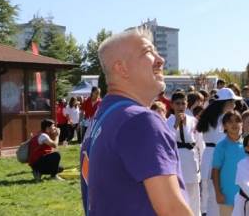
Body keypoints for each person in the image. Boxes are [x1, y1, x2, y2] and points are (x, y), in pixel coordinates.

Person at [79, 28, 191, 216]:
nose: (160, 60)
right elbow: (172, 210)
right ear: (121, 68)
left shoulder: (102, 118)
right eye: (148, 52)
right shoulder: (139, 120)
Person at [196, 87, 240, 216]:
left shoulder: (209, 116)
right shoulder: (223, 119)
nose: (234, 105)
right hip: (218, 156)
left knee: (210, 196)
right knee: (218, 196)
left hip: (208, 155)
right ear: (226, 103)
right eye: (232, 102)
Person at [167, 91, 204, 215]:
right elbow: (166, 143)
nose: (181, 107)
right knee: (178, 197)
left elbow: (200, 143)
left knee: (194, 198)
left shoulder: (193, 121)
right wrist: (175, 124)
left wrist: (202, 163)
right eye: (177, 104)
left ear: (187, 104)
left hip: (192, 163)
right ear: (172, 105)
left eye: (183, 103)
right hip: (176, 163)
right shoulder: (167, 121)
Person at [212, 111, 246, 216]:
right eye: (230, 121)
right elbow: (215, 171)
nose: (234, 124)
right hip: (227, 196)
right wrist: (218, 193)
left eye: (237, 121)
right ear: (225, 126)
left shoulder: (248, 145)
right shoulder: (221, 146)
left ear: (242, 124)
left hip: (247, 197)